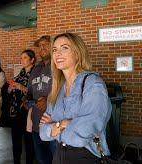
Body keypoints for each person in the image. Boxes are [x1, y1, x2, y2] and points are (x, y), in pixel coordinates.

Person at [39, 32, 112, 164]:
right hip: (59, 155)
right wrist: (64, 123)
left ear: (77, 53)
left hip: (86, 157)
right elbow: (43, 132)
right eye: (54, 49)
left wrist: (55, 126)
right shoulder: (57, 89)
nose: (57, 53)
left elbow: (84, 133)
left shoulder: (93, 84)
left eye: (64, 48)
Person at [26, 36, 55, 164]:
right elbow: (29, 93)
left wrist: (48, 100)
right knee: (42, 159)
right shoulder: (36, 69)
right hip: (37, 124)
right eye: (40, 45)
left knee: (56, 159)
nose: (42, 48)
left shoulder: (58, 67)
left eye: (45, 44)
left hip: (54, 123)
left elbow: (68, 91)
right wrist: (26, 100)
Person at [8, 49, 36, 164]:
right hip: (15, 111)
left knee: (28, 140)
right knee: (16, 140)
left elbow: (36, 92)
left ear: (32, 59)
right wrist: (10, 89)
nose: (22, 60)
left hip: (27, 111)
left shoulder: (35, 73)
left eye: (25, 57)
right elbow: (12, 87)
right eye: (21, 58)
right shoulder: (21, 73)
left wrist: (22, 87)